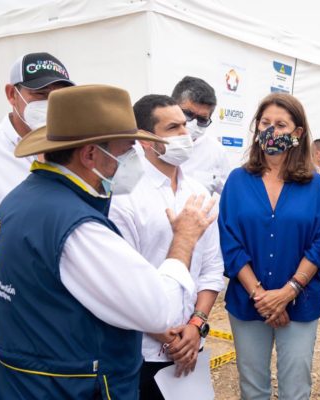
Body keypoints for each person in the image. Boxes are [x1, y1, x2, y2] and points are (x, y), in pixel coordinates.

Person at [0, 84, 216, 399]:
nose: (133, 159)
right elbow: (157, 309)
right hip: (69, 387)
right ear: (91, 153)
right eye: (125, 149)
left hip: (30, 383)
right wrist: (184, 239)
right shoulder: (75, 225)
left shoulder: (22, 199)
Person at [108, 94, 225, 398]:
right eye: (174, 128)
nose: (186, 135)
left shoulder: (198, 193)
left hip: (190, 344)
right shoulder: (124, 198)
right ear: (146, 139)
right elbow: (123, 286)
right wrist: (168, 337)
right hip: (142, 350)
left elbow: (211, 268)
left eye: (185, 126)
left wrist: (196, 325)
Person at [218, 93, 320, 400]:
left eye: (280, 124)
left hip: (299, 301)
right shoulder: (237, 180)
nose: (271, 131)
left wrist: (287, 293)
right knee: (252, 389)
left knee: (296, 388)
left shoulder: (314, 184)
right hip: (248, 302)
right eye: (265, 123)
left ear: (298, 133)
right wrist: (261, 295)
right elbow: (230, 241)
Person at [0, 52, 74, 398]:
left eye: (58, 96)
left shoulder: (69, 151)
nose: (49, 104)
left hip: (51, 315)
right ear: (10, 94)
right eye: (40, 95)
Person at [172, 76, 230, 194]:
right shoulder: (149, 145)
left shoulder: (216, 151)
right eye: (187, 114)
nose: (193, 123)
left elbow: (232, 197)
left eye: (202, 119)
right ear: (172, 106)